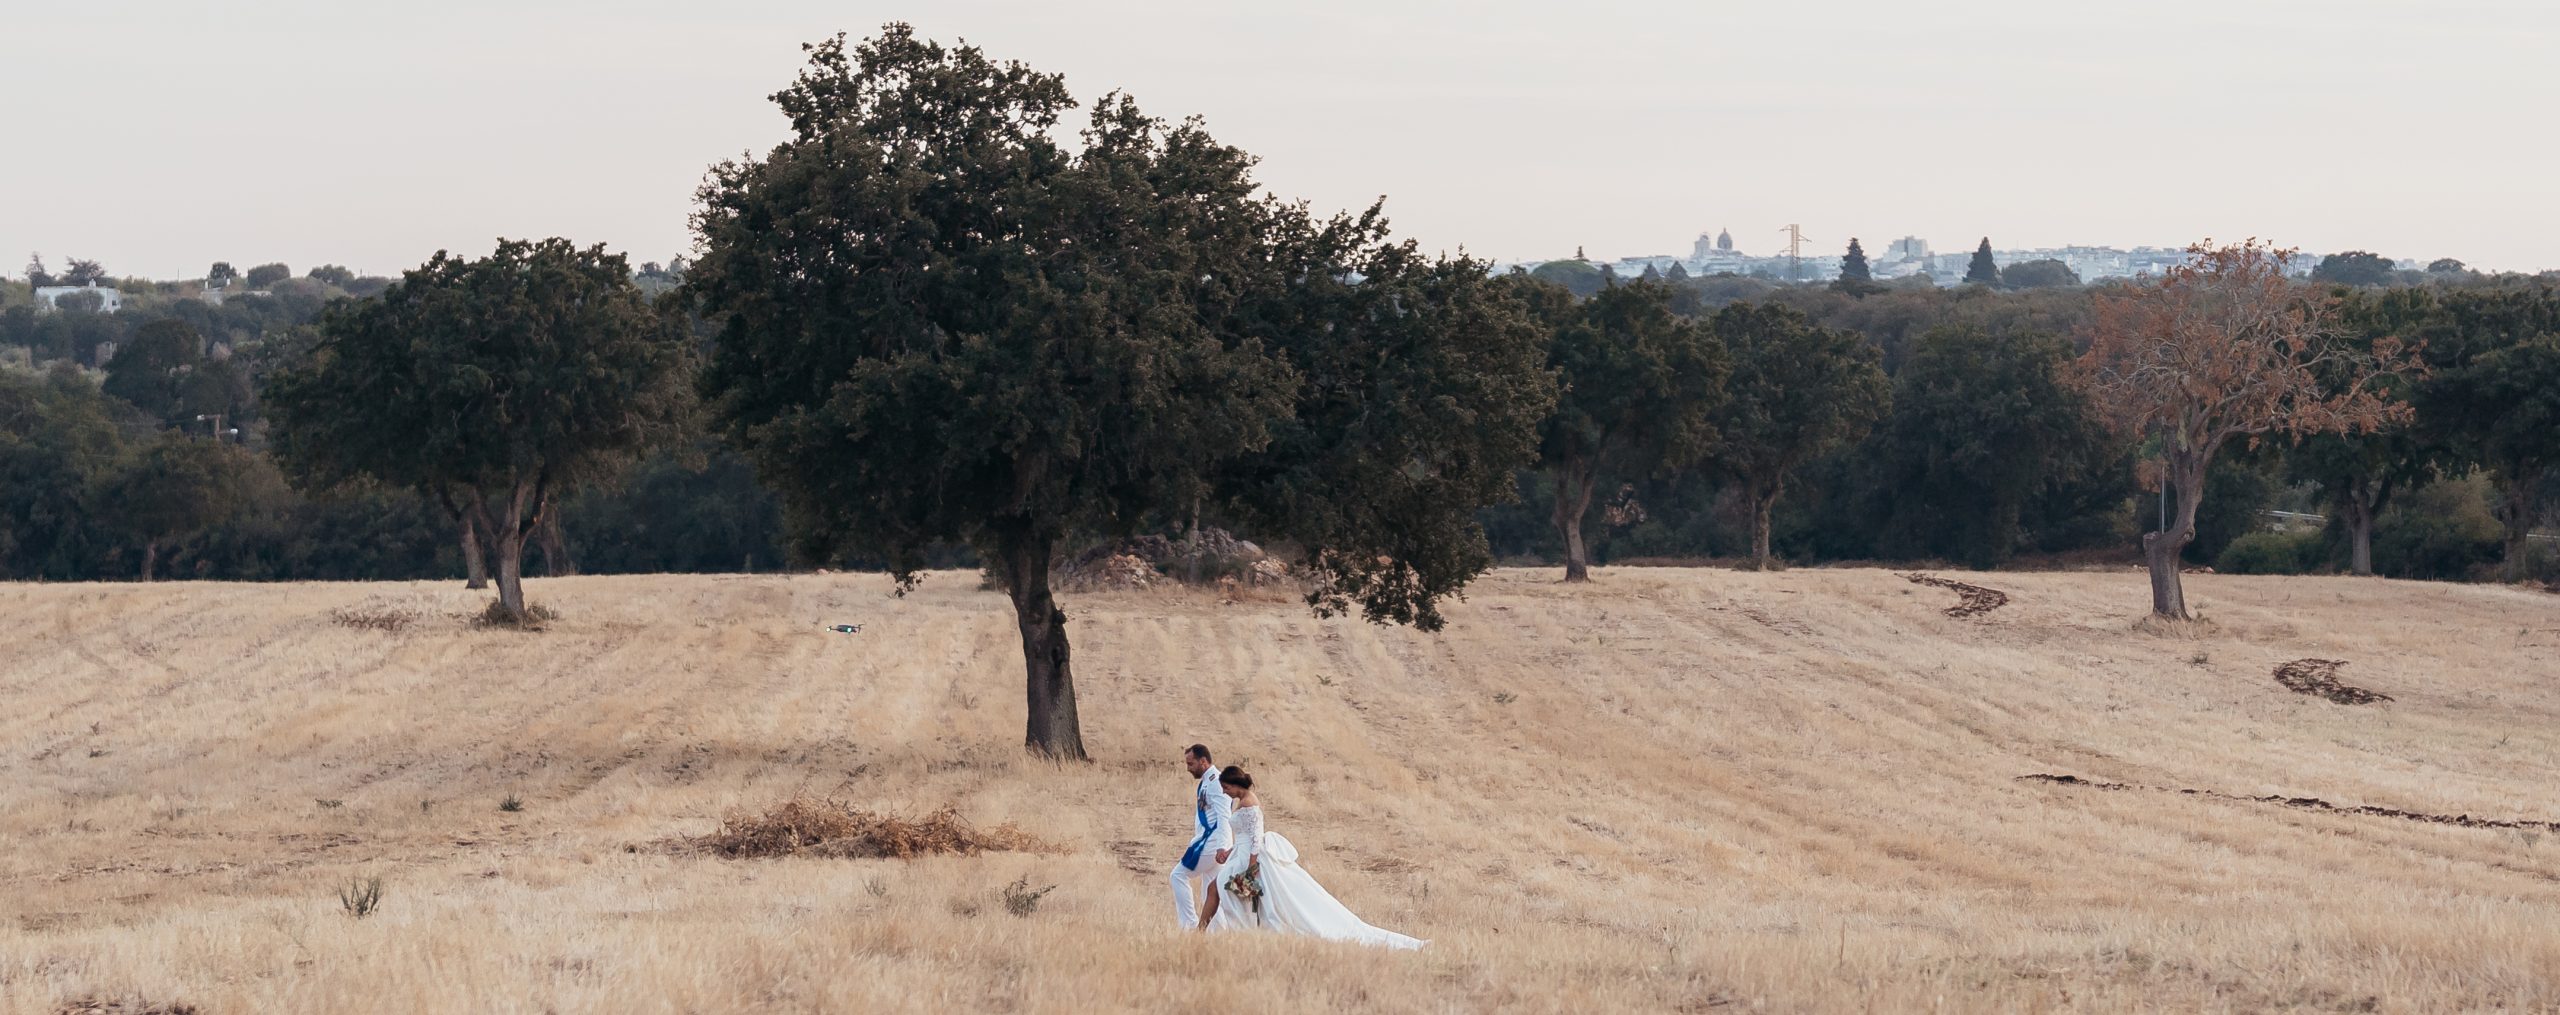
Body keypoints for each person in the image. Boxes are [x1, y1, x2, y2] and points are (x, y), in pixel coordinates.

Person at [1196, 765, 1426, 949]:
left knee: (1222, 891)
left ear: (1236, 785)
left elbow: (1256, 838)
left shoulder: (1249, 804)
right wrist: (1230, 851)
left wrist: (1251, 868)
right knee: (1224, 892)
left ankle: (1204, 933)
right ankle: (1209, 933)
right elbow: (1246, 836)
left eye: (1226, 787)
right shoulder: (1243, 800)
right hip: (1241, 855)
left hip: (1250, 860)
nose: (1225, 792)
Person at [1169, 743, 1231, 930]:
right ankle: (1218, 932)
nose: (1188, 768)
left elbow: (1224, 817)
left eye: (1191, 764)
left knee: (1177, 875)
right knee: (1211, 892)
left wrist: (1222, 846)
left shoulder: (1216, 782)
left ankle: (1189, 925)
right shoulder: (1208, 780)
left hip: (1212, 843)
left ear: (1203, 761)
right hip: (1211, 841)